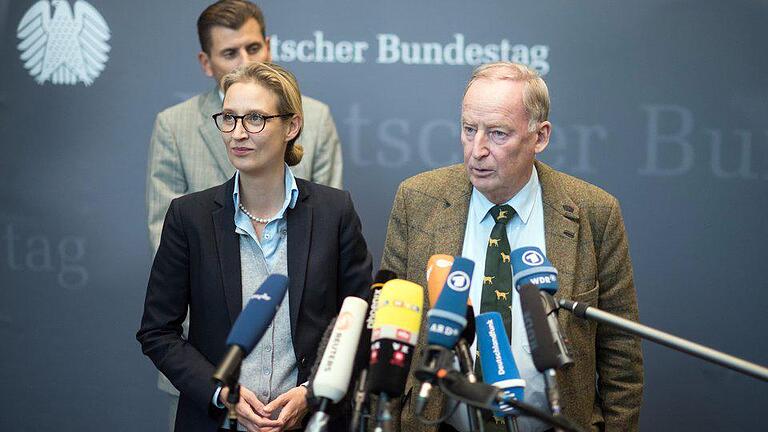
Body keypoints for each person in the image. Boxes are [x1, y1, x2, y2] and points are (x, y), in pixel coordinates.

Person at [380, 62, 643, 431]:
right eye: (469, 129)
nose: (477, 150)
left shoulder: (594, 213)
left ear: (540, 136)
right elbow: (391, 337)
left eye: (498, 134)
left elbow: (622, 356)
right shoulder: (418, 199)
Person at [137, 62, 372, 432]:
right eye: (229, 118)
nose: (237, 133)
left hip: (314, 422)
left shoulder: (334, 211)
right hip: (218, 422)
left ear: (291, 126)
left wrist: (312, 393)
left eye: (255, 119)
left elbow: (361, 322)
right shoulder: (190, 217)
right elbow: (157, 332)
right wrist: (219, 391)